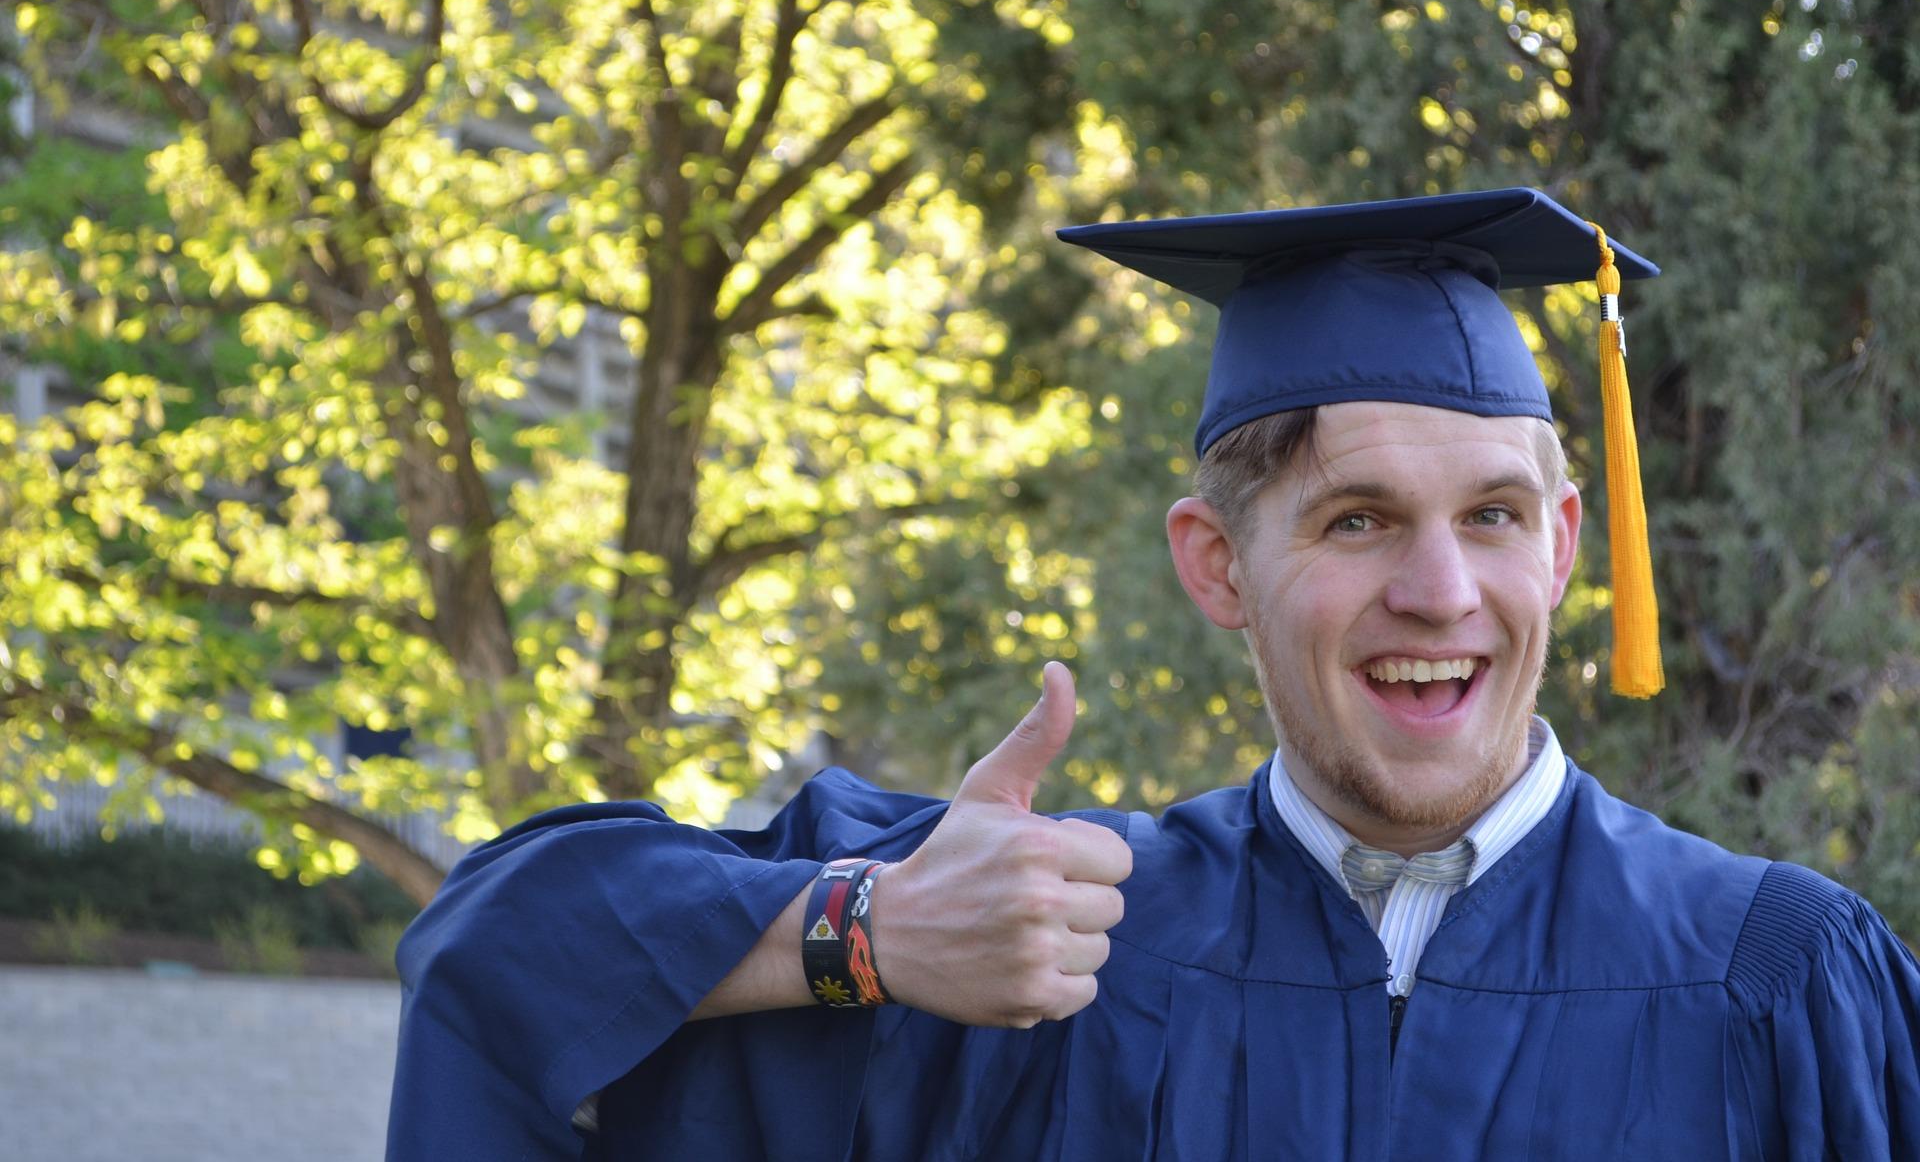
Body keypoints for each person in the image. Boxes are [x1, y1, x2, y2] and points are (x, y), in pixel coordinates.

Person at [386, 188, 1920, 1160]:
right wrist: (863, 930)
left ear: (1568, 543)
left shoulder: (1775, 980)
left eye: (1495, 517)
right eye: (1359, 517)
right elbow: (497, 950)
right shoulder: (1045, 940)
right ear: (1214, 566)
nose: (1441, 591)